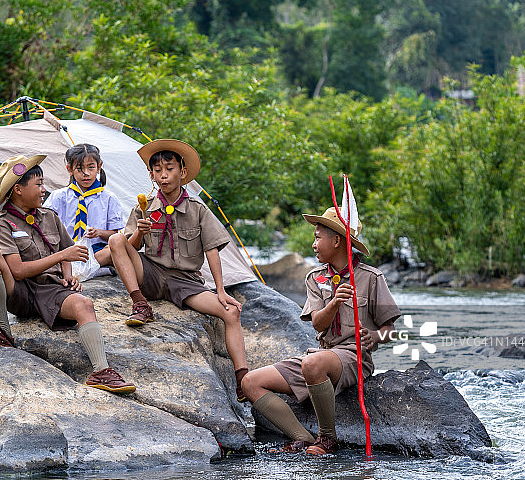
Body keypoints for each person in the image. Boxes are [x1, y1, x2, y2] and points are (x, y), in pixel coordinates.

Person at [0, 154, 136, 394]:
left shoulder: (49, 216)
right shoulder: (2, 223)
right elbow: (18, 270)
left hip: (51, 289)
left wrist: (68, 275)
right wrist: (61, 257)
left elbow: (66, 251)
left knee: (84, 304)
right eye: (38, 184)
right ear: (18, 189)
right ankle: (2, 330)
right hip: (20, 292)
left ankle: (101, 372)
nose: (44, 190)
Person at [241, 207, 401, 455]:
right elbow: (317, 324)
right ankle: (303, 438)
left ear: (336, 241)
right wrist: (334, 303)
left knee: (313, 364)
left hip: (353, 357)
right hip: (320, 355)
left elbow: (391, 331)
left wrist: (375, 336)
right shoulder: (315, 278)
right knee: (250, 382)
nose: (313, 245)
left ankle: (327, 438)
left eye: (317, 238)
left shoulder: (371, 278)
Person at [107, 139, 250, 402]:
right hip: (150, 273)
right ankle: (140, 304)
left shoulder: (197, 209)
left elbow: (212, 250)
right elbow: (128, 248)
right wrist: (139, 232)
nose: (163, 175)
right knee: (116, 240)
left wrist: (220, 290)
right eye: (157, 170)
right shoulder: (144, 208)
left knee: (231, 312)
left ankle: (244, 380)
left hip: (185, 281)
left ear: (182, 173)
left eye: (169, 169)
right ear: (151, 175)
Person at [43, 143, 123, 267]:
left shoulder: (109, 199)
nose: (86, 173)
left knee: (115, 249)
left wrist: (99, 233)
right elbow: (46, 226)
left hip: (97, 252)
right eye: (80, 168)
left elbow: (114, 234)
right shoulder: (58, 196)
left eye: (91, 167)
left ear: (99, 167)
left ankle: (86, 269)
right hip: (65, 252)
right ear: (70, 169)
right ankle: (86, 269)